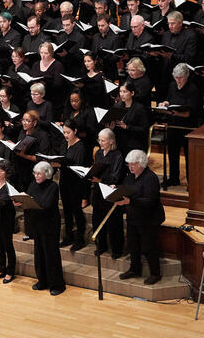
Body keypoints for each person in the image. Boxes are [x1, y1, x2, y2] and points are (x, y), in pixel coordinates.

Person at [116, 149, 166, 285]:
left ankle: (155, 273)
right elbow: (126, 189)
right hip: (133, 217)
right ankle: (134, 269)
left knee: (148, 247)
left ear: (142, 163)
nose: (131, 167)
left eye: (134, 164)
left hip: (148, 219)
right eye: (129, 164)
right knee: (133, 245)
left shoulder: (150, 178)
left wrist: (130, 201)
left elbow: (150, 201)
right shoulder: (130, 176)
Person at [20, 161, 65, 295]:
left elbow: (46, 206)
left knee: (51, 255)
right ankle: (42, 281)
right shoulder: (33, 185)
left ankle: (57, 285)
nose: (36, 176)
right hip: (37, 224)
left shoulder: (53, 187)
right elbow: (29, 200)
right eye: (35, 173)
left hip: (50, 225)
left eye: (39, 173)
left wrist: (31, 202)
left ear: (47, 174)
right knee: (39, 254)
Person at [158, 63, 202, 187]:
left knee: (189, 156)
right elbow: (169, 99)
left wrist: (176, 113)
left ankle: (191, 182)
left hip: (187, 126)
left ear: (187, 76)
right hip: (173, 125)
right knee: (172, 154)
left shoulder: (193, 89)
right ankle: (174, 178)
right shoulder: (172, 86)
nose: (178, 80)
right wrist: (165, 103)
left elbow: (190, 113)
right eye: (176, 77)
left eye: (180, 77)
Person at [90, 129, 126, 258]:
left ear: (111, 141)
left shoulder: (117, 155)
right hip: (98, 192)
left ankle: (117, 250)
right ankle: (101, 246)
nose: (100, 142)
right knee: (97, 220)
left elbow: (116, 177)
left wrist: (101, 179)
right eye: (99, 140)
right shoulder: (99, 153)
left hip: (110, 193)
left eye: (103, 140)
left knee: (114, 223)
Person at [56, 120, 88, 252]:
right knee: (67, 211)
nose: (66, 135)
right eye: (64, 132)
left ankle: (80, 239)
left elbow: (78, 166)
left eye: (68, 132)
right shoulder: (64, 143)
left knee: (76, 211)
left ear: (75, 131)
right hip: (64, 181)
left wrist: (61, 165)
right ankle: (69, 236)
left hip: (76, 183)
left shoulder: (80, 146)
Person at [14, 111, 51, 191]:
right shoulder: (22, 132)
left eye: (27, 121)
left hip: (34, 171)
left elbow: (41, 158)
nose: (24, 123)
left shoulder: (43, 135)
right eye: (23, 120)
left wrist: (24, 155)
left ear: (35, 122)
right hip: (21, 170)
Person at [112, 81, 150, 155]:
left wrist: (126, 127)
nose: (122, 94)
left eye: (125, 92)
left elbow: (144, 130)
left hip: (134, 142)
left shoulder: (139, 108)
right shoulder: (117, 106)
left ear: (132, 93)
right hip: (120, 140)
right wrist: (111, 126)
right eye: (120, 91)